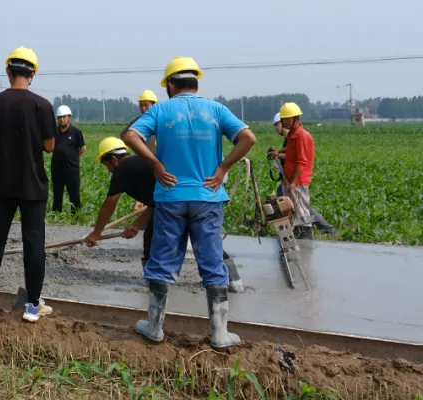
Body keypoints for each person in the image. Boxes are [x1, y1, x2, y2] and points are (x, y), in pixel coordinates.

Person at [121, 56, 256, 349]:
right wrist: (223, 168)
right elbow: (248, 138)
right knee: (212, 260)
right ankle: (219, 334)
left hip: (170, 196)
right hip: (207, 197)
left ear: (170, 85)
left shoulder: (161, 110)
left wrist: (156, 165)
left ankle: (154, 327)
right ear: (195, 82)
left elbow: (130, 136)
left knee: (162, 260)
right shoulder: (215, 109)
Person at [84, 137, 244, 293]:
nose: (108, 170)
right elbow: (155, 202)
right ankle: (234, 280)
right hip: (187, 199)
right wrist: (137, 225)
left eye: (106, 165)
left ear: (113, 160)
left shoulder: (123, 169)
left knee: (159, 241)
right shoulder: (140, 163)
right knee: (206, 240)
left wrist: (96, 233)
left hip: (175, 204)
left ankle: (155, 284)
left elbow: (109, 204)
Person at [0, 46, 56, 323]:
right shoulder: (42, 105)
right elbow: (49, 146)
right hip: (33, 185)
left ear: (8, 71)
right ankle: (32, 306)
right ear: (32, 74)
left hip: (3, 183)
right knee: (34, 243)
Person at [270, 111, 335, 235]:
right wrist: (277, 154)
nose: (277, 127)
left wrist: (293, 181)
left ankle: (318, 230)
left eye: (277, 124)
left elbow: (298, 159)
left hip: (296, 179)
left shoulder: (299, 136)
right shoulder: (290, 137)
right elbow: (290, 153)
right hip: (288, 178)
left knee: (301, 208)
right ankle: (298, 231)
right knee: (295, 207)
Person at [50, 105, 86, 214]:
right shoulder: (54, 132)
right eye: (59, 117)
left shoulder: (76, 132)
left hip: (72, 170)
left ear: (69, 117)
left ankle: (76, 216)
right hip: (57, 170)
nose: (62, 119)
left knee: (74, 196)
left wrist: (73, 157)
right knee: (57, 196)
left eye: (64, 117)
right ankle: (56, 215)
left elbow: (83, 148)